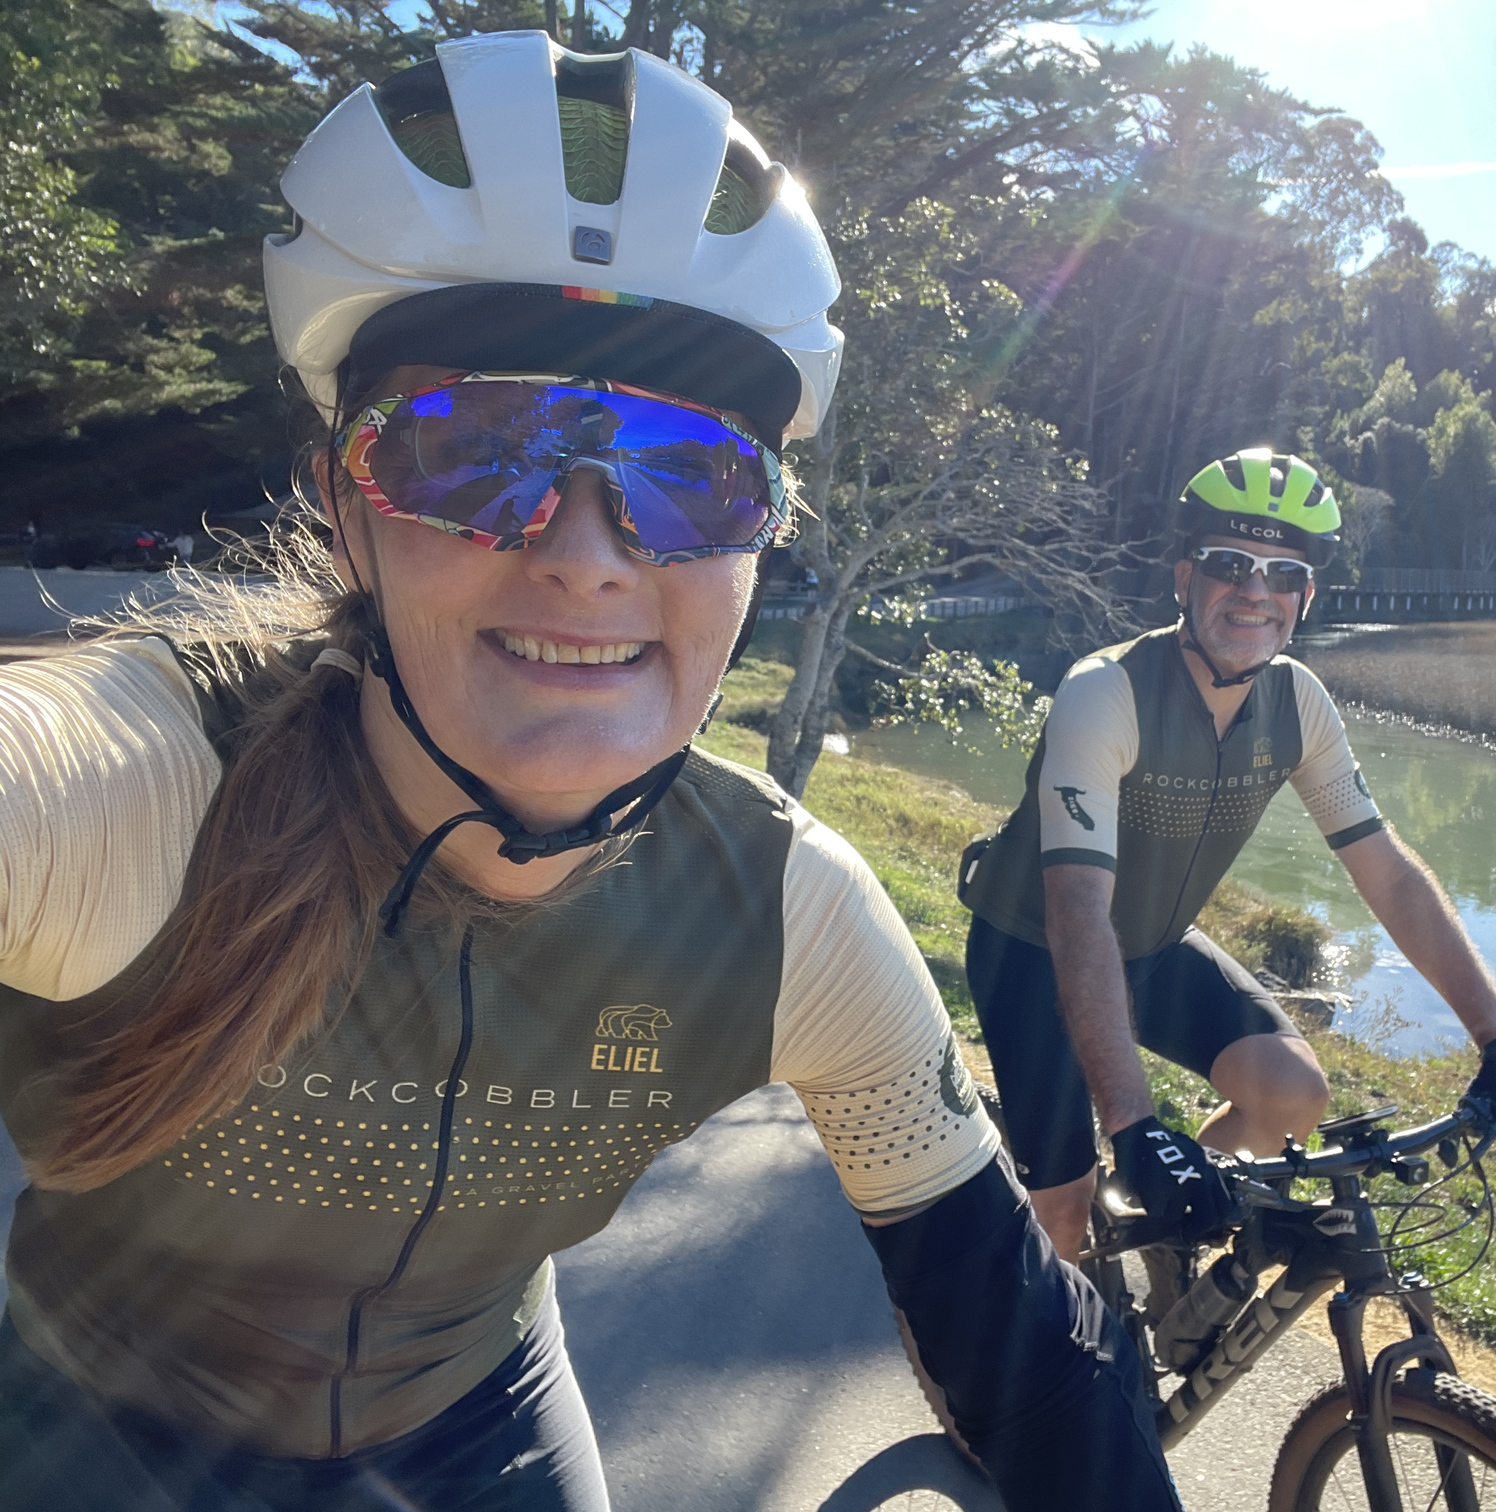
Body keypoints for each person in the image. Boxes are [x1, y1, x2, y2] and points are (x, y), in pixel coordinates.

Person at [0, 34, 1177, 1512]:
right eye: (472, 450)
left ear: (758, 549)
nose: (584, 552)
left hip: (473, 1426)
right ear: (346, 512)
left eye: (690, 476)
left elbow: (1026, 1343)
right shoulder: (129, 796)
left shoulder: (788, 919)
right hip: (86, 1424)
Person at [960, 448, 1496, 1263]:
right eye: (1229, 564)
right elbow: (1075, 907)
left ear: (1305, 598)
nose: (1255, 590)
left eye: (1282, 573)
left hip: (1151, 946)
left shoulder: (1298, 702)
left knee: (1291, 1094)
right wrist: (1136, 1126)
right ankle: (1033, 1361)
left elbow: (1385, 870)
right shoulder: (1104, 692)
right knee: (1062, 1212)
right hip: (1034, 951)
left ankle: (1163, 1239)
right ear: (1185, 578)